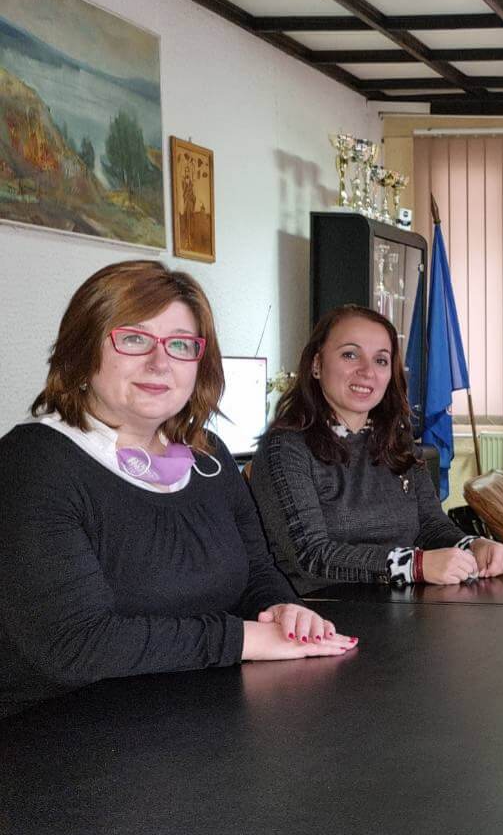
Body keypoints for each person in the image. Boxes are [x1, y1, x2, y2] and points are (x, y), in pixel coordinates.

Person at [0, 261, 356, 718]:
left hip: (198, 714)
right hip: (59, 732)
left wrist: (284, 610)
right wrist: (245, 639)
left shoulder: (209, 456)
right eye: (134, 339)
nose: (159, 362)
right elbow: (75, 644)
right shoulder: (32, 463)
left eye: (181, 344)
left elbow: (256, 571)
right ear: (83, 350)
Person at [251, 305, 503, 594]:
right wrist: (414, 565)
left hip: (406, 604)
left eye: (381, 360)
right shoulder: (285, 447)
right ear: (316, 363)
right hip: (320, 610)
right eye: (350, 355)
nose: (367, 371)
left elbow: (431, 527)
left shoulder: (396, 441)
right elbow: (310, 555)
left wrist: (473, 546)